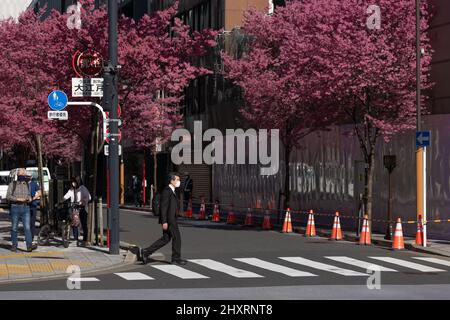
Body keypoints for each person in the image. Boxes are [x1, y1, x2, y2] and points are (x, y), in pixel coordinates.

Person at [138, 173, 187, 265]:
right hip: (169, 219)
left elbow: (180, 191)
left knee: (166, 238)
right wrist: (164, 221)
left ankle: (146, 252)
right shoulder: (167, 191)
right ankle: (176, 258)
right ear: (171, 181)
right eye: (177, 180)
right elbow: (164, 207)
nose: (178, 182)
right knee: (177, 238)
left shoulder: (172, 190)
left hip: (171, 218)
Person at [6, 168, 37, 252]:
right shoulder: (13, 184)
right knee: (14, 228)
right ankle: (14, 245)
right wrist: (19, 199)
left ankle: (29, 246)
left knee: (27, 227)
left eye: (23, 174)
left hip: (26, 208)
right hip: (15, 207)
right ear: (17, 175)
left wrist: (30, 198)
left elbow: (29, 196)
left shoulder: (27, 185)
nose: (22, 176)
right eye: (20, 174)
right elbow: (8, 196)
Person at [64, 177, 91, 246]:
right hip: (74, 208)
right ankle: (76, 239)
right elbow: (66, 195)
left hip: (81, 208)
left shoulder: (83, 188)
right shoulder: (72, 189)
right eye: (73, 182)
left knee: (84, 224)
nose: (74, 183)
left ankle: (85, 240)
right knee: (74, 223)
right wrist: (63, 199)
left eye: (75, 182)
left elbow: (89, 197)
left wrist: (83, 201)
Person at [29, 177, 41, 244]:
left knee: (32, 222)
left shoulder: (34, 184)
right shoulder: (23, 184)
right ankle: (28, 237)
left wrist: (34, 198)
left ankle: (32, 237)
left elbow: (40, 193)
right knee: (27, 223)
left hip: (33, 205)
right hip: (25, 206)